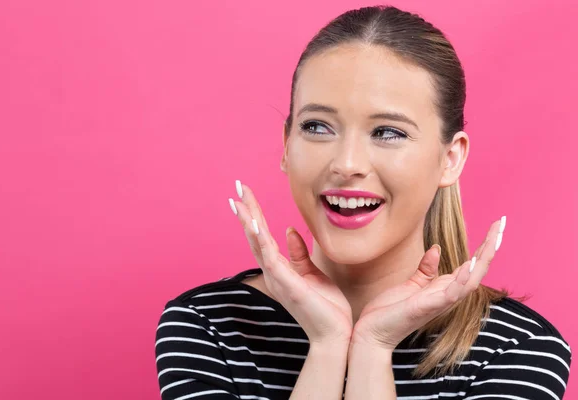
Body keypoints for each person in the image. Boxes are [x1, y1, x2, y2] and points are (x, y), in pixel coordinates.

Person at [155, 5, 571, 399]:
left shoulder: (517, 349)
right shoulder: (208, 326)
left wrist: (373, 348)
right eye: (317, 126)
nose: (347, 164)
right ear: (286, 145)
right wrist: (328, 345)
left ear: (450, 158)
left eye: (388, 132)